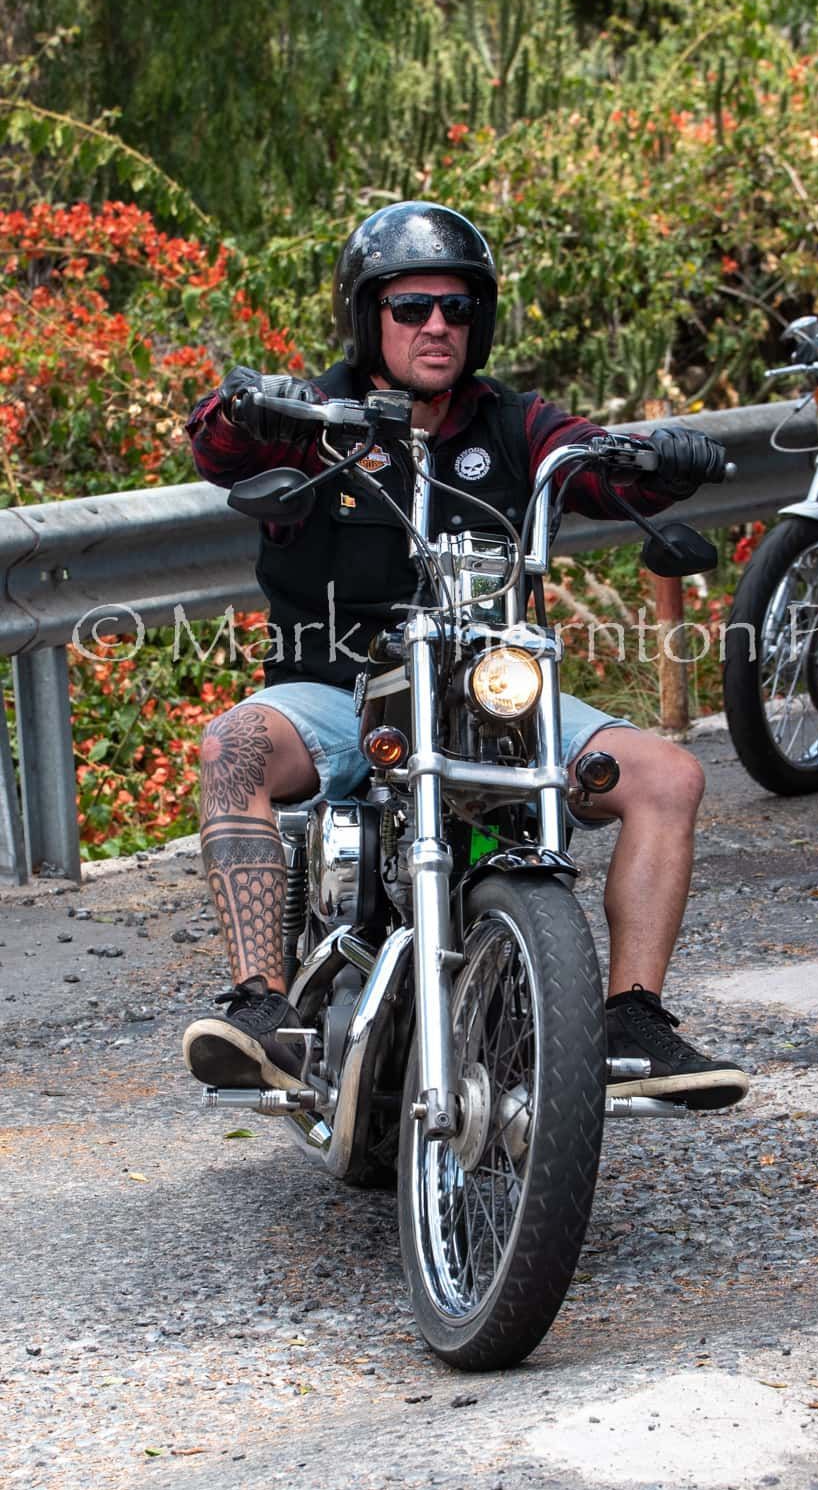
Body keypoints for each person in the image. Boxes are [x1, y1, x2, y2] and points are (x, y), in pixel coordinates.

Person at [180, 201, 748, 1111]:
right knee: (232, 746)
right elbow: (219, 446)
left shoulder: (516, 426)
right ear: (369, 317)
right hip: (337, 691)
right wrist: (241, 403)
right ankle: (262, 1012)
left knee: (667, 777)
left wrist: (657, 458)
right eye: (410, 309)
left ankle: (633, 1021)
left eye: (455, 307)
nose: (436, 325)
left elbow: (592, 464)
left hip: (493, 697)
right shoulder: (315, 420)